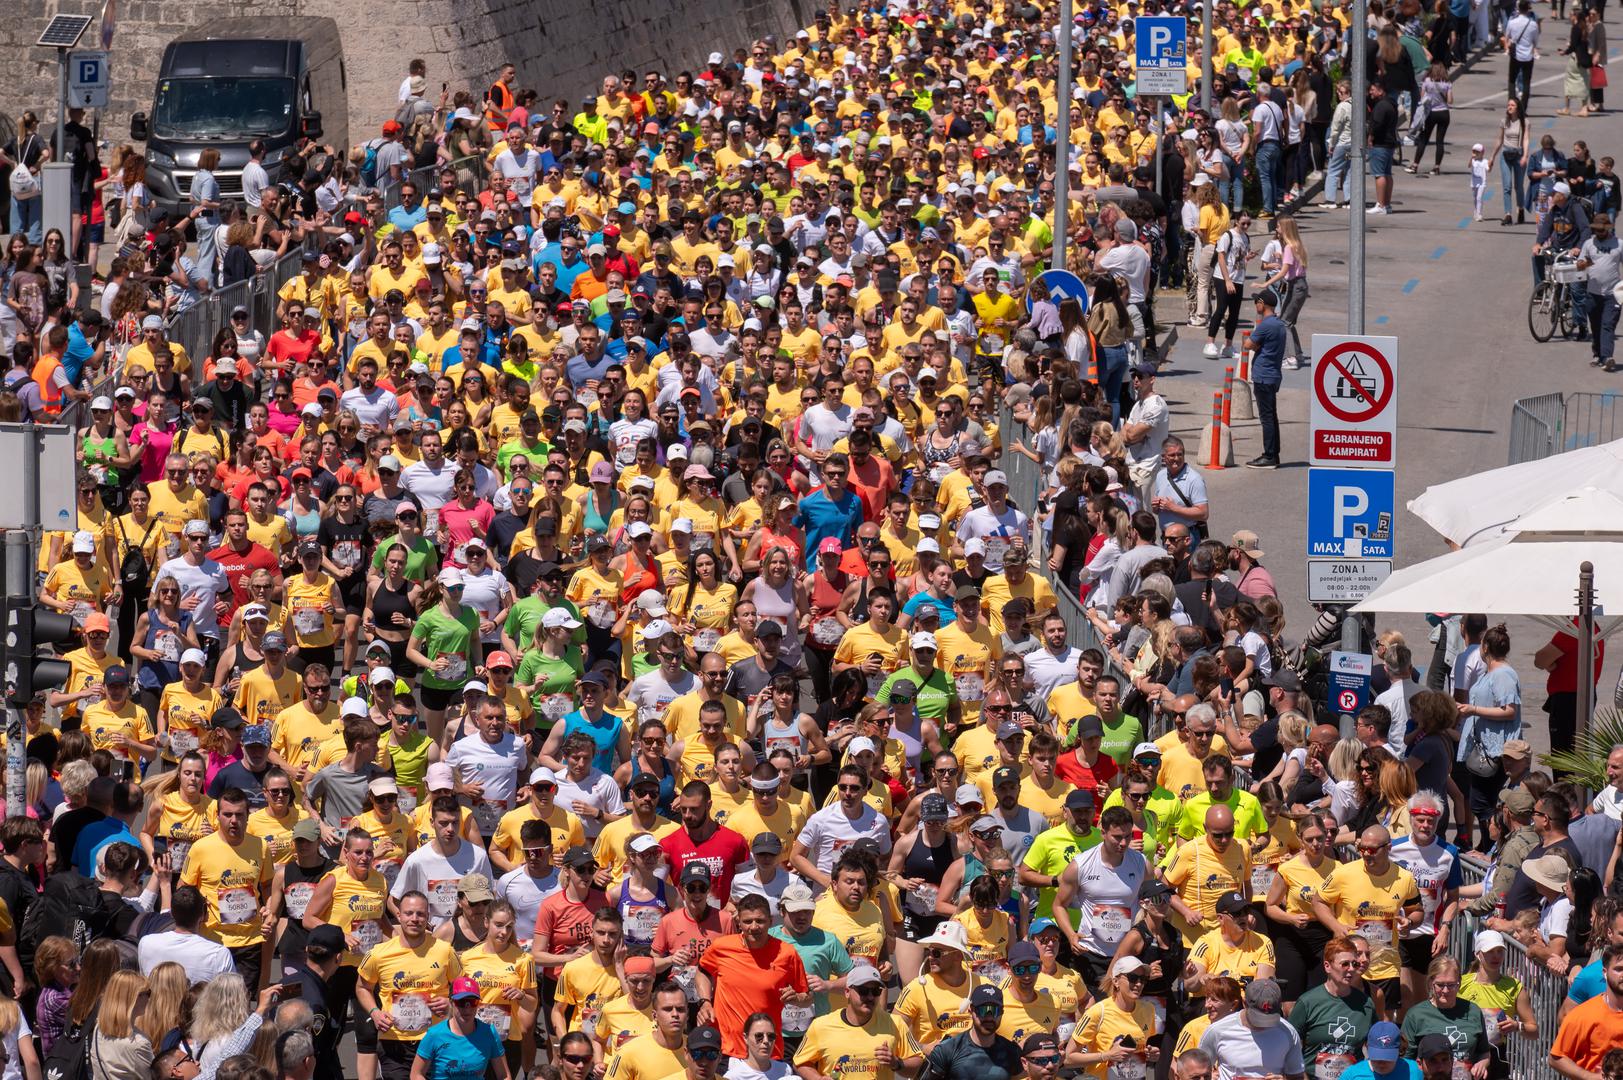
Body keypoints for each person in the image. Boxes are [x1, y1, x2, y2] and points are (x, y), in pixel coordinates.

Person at [793, 961, 924, 1080]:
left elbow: (918, 1064)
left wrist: (896, 1063)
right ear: (847, 992)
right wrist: (818, 1079)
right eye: (863, 991)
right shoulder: (821, 1025)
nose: (870, 996)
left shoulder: (895, 1023)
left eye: (876, 991)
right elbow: (800, 1062)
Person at [409, 976, 511, 1080]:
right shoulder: (434, 1035)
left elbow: (504, 1076)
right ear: (451, 1002)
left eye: (472, 1002)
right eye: (461, 1002)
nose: (467, 1008)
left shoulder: (489, 1032)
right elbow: (416, 1074)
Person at [920, 983, 1023, 1080]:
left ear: (1002, 1013)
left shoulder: (1012, 1051)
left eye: (995, 1011)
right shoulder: (947, 1050)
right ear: (971, 1011)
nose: (989, 1017)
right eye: (984, 1010)